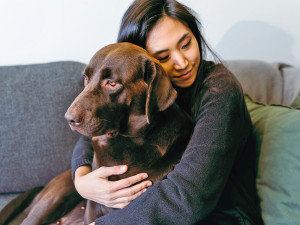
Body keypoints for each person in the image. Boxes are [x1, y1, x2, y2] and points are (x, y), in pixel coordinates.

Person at [71, 0, 264, 224]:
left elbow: (189, 197)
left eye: (186, 44)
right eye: (163, 57)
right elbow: (99, 127)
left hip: (223, 217)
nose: (182, 63)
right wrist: (81, 178)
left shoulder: (219, 89)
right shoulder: (142, 92)